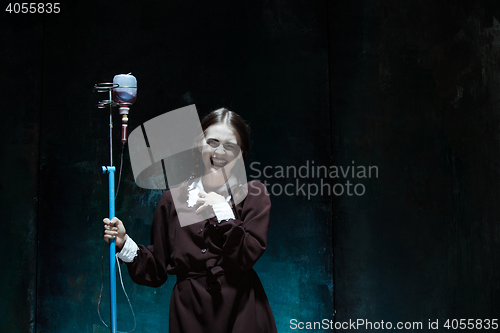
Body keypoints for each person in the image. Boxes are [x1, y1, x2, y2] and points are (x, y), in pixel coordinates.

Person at [103, 108, 278, 333]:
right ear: (199, 145)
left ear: (241, 152)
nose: (220, 151)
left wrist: (222, 210)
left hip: (242, 310)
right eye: (212, 142)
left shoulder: (253, 194)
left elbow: (246, 255)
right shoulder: (173, 201)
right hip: (189, 313)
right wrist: (124, 242)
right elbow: (156, 271)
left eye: (230, 145)